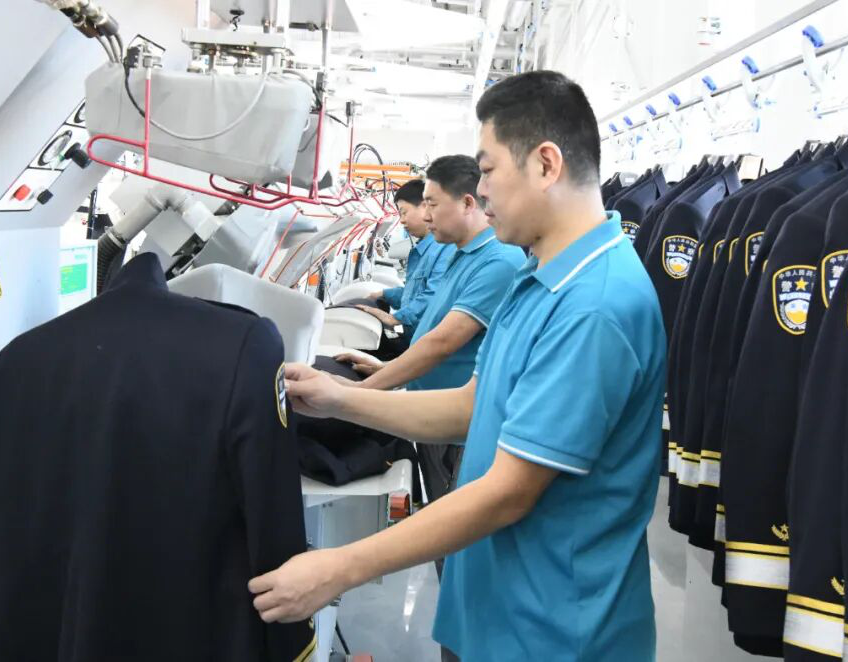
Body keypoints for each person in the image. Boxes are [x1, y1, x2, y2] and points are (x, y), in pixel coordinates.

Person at [249, 71, 667, 661]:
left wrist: (338, 568)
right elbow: (473, 405)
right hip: (498, 608)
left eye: (488, 170)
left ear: (546, 164)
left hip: (552, 633)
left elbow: (507, 494)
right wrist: (339, 398)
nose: (482, 191)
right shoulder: (539, 274)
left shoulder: (594, 305)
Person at [340, 155, 525, 512]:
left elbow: (442, 343)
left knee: (455, 524)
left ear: (467, 203)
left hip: (458, 431)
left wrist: (359, 393)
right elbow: (434, 328)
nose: (425, 216)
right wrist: (385, 372)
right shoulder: (462, 253)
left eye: (432, 204)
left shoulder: (498, 261)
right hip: (433, 416)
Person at [353, 179, 454, 343]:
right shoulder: (425, 249)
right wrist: (384, 294)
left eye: (404, 212)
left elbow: (435, 295)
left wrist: (395, 318)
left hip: (424, 342)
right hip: (413, 338)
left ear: (425, 207)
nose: (401, 220)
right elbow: (414, 294)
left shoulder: (444, 249)